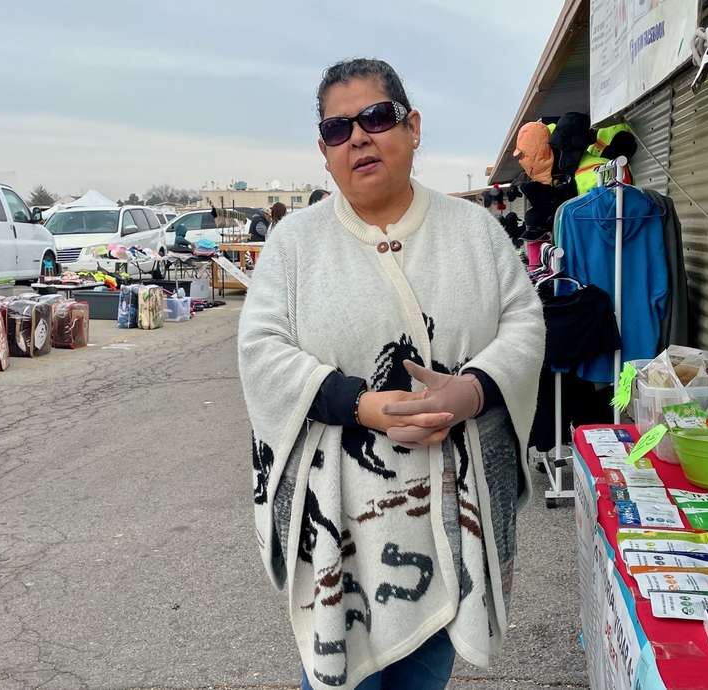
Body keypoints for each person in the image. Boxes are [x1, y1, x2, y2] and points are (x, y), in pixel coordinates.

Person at [238, 58, 544, 690]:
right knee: (339, 668)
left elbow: (524, 322)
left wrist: (472, 390)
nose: (358, 137)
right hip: (340, 516)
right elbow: (261, 349)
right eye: (336, 128)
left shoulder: (476, 232)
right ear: (324, 151)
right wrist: (362, 406)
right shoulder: (294, 244)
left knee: (427, 667)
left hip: (445, 503)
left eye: (376, 117)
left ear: (412, 128)